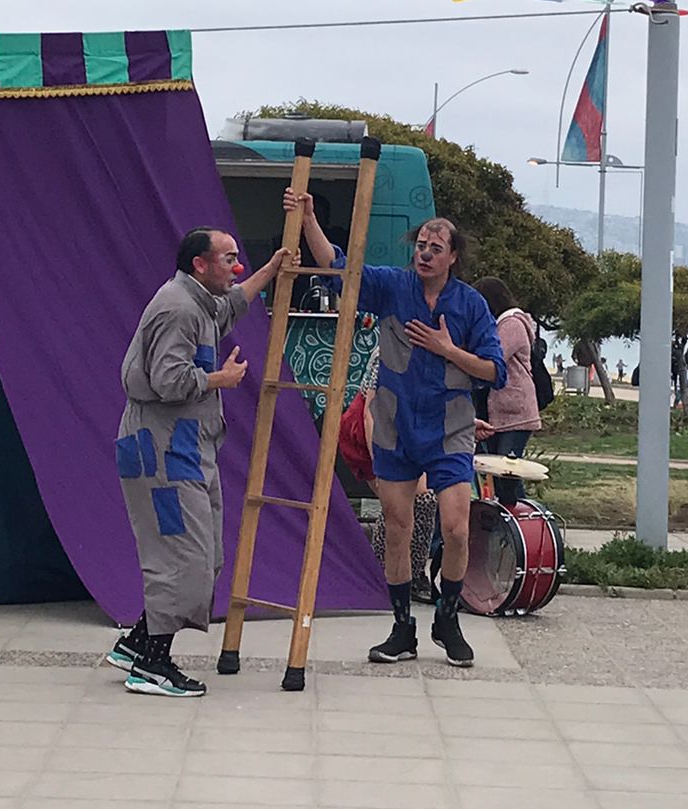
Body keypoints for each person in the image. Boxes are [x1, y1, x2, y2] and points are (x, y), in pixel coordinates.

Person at [288, 190, 505, 668]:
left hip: (449, 428)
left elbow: (494, 371)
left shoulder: (469, 305)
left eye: (435, 247)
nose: (425, 253)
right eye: (421, 245)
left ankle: (447, 617)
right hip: (394, 425)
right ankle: (402, 627)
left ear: (453, 257)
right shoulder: (392, 286)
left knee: (455, 527)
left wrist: (449, 349)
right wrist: (307, 218)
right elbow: (340, 268)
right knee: (398, 526)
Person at [108, 228, 293, 697]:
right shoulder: (179, 307)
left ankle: (137, 643)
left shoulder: (203, 302)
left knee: (204, 554)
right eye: (229, 259)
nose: (237, 269)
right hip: (163, 451)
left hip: (187, 448)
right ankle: (152, 664)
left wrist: (271, 270)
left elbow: (232, 305)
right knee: (182, 556)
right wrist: (220, 378)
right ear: (199, 264)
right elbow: (168, 380)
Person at [473, 277, 542, 506]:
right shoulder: (504, 324)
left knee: (507, 474)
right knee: (500, 473)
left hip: (516, 411)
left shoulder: (511, 324)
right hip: (500, 412)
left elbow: (494, 357)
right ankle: (510, 520)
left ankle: (520, 523)